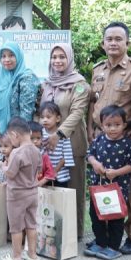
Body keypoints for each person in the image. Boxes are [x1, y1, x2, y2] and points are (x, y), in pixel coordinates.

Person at [86, 21, 131, 255]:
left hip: (127, 136)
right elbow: (93, 101)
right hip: (101, 137)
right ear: (103, 43)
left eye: (118, 39)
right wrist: (91, 126)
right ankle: (104, 237)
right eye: (109, 39)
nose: (113, 43)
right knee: (102, 187)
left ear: (127, 42)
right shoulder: (98, 69)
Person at [40, 43, 90, 239]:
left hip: (72, 143)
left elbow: (78, 112)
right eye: (54, 57)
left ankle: (74, 233)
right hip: (47, 147)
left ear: (69, 59)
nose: (58, 61)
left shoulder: (80, 85)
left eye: (62, 57)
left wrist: (58, 135)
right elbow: (42, 112)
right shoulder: (47, 84)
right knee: (51, 188)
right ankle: (54, 230)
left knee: (73, 189)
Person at [84, 105, 131, 260]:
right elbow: (90, 155)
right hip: (98, 188)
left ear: (124, 125)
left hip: (117, 190)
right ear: (102, 126)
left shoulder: (128, 144)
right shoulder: (99, 139)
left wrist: (116, 172)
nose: (113, 128)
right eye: (108, 125)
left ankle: (114, 247)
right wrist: (94, 163)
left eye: (117, 125)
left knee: (115, 218)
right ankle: (100, 242)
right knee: (96, 215)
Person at [0, 117, 41, 260]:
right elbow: (38, 169)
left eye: (10, 137)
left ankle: (16, 256)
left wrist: (2, 167)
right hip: (33, 192)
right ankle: (32, 254)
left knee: (16, 226)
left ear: (15, 135)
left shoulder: (16, 153)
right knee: (31, 224)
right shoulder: (37, 150)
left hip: (16, 194)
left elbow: (10, 173)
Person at [0, 42, 38, 142]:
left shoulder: (27, 78)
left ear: (18, 56)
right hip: (0, 137)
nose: (7, 59)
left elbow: (26, 112)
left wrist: (16, 137)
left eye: (11, 55)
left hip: (18, 137)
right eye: (3, 56)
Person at [38, 101, 74, 187]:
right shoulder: (39, 134)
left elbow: (67, 156)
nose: (45, 120)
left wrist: (54, 171)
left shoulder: (63, 135)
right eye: (42, 117)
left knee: (60, 198)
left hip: (59, 175)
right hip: (43, 175)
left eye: (48, 117)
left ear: (58, 118)